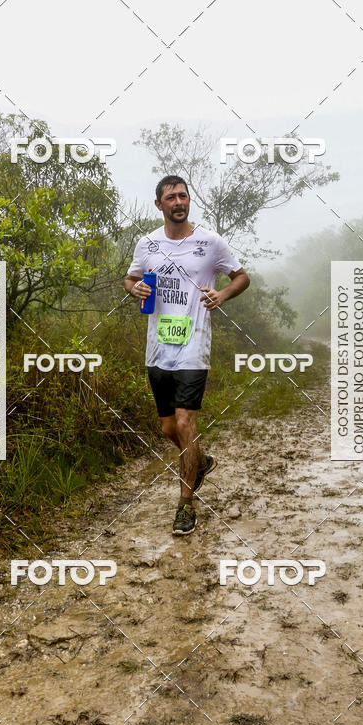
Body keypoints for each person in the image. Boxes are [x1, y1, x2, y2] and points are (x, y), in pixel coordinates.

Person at [124, 175, 250, 535]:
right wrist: (136, 289)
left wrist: (222, 295)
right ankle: (201, 460)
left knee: (184, 423)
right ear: (159, 205)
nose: (179, 202)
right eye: (171, 197)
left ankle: (185, 505)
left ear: (188, 201)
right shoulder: (147, 243)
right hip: (158, 347)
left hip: (194, 346)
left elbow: (241, 276)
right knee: (168, 428)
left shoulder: (210, 242)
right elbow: (130, 279)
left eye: (183, 196)